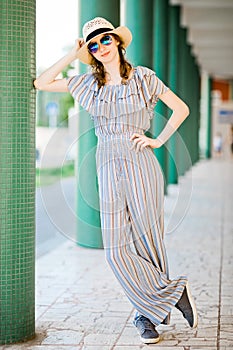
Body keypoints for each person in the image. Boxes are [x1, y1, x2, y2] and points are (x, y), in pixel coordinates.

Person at [34, 17, 198, 345]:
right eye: (93, 45)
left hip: (140, 160)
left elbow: (180, 109)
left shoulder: (144, 78)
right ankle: (173, 292)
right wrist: (74, 54)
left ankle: (146, 315)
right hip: (107, 163)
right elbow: (42, 82)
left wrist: (159, 140)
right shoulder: (87, 84)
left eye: (105, 40)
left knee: (148, 241)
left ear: (118, 42)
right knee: (114, 251)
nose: (100, 48)